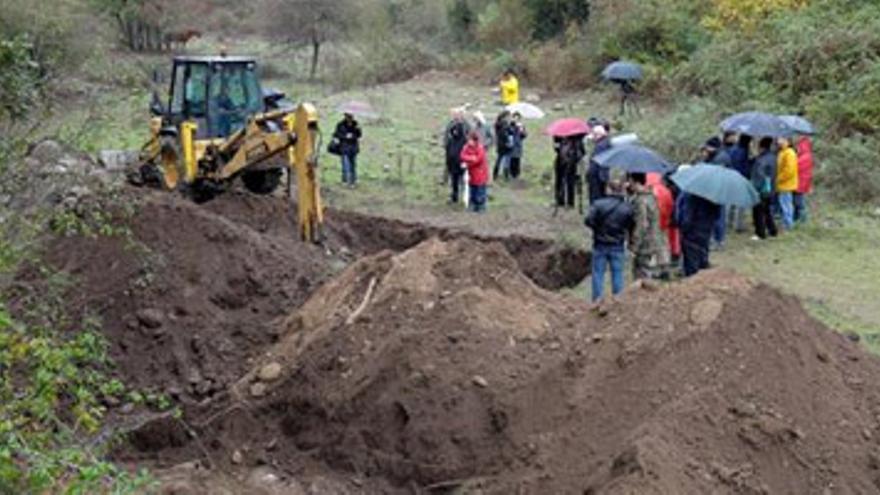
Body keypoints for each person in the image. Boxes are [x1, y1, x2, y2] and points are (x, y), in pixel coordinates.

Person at [585, 172, 635, 302]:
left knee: (598, 273)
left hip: (599, 243)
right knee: (618, 273)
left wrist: (597, 229)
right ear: (622, 190)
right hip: (617, 245)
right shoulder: (627, 208)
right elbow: (631, 226)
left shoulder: (598, 204)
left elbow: (588, 220)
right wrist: (629, 240)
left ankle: (597, 300)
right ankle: (617, 300)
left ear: (608, 189)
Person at [629, 173, 668, 280]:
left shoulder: (640, 201)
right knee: (646, 272)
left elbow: (641, 224)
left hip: (644, 243)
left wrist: (634, 246)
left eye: (630, 181)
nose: (629, 184)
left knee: (641, 275)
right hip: (654, 239)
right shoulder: (651, 197)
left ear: (635, 182)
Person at [676, 190, 722, 278]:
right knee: (702, 259)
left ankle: (691, 280)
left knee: (691, 263)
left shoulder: (691, 194)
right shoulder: (715, 195)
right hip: (706, 231)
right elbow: (717, 215)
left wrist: (683, 228)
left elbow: (687, 216)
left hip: (691, 232)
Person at [701, 136, 731, 249]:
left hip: (718, 190)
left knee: (718, 216)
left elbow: (714, 174)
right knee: (716, 215)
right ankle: (717, 239)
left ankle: (718, 240)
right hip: (717, 189)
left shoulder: (720, 159)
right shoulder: (716, 156)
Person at [646, 172, 680, 265]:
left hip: (654, 223)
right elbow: (671, 206)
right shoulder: (666, 191)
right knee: (664, 243)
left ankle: (654, 263)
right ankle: (665, 262)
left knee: (653, 243)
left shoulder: (649, 192)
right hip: (665, 222)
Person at [751, 137, 779, 240]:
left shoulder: (762, 159)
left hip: (761, 190)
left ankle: (760, 233)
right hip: (770, 188)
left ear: (761, 147)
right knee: (767, 211)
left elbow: (759, 175)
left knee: (758, 211)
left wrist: (755, 188)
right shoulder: (773, 157)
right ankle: (773, 231)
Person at [724, 133, 752, 233]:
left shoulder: (732, 149)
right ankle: (739, 225)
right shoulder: (743, 151)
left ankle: (727, 222)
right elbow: (743, 166)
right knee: (741, 203)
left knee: (729, 202)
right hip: (741, 178)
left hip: (730, 177)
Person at [443, 109, 471, 203]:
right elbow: (448, 150)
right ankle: (454, 196)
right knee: (454, 181)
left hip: (461, 163)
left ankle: (465, 197)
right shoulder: (451, 140)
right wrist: (448, 162)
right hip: (453, 163)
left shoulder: (465, 139)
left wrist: (465, 161)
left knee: (463, 180)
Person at [460, 131, 490, 213]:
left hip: (480, 173)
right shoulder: (466, 147)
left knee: (480, 190)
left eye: (470, 140)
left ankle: (481, 206)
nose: (468, 142)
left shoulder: (480, 148)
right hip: (472, 173)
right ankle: (472, 205)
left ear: (474, 140)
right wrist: (471, 158)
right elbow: (462, 155)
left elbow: (477, 160)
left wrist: (468, 162)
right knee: (472, 189)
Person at [554, 135, 585, 209]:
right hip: (560, 162)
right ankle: (560, 201)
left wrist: (575, 158)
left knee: (570, 183)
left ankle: (570, 203)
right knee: (559, 181)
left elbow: (582, 152)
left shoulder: (577, 139)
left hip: (572, 162)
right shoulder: (558, 137)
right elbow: (556, 148)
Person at [776, 135, 799, 230]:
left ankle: (788, 225)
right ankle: (786, 223)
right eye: (779, 138)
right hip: (782, 184)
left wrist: (778, 178)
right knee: (784, 204)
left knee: (786, 204)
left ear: (788, 141)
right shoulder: (782, 152)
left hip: (786, 184)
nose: (778, 140)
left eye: (781, 138)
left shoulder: (790, 153)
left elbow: (789, 171)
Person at [333, 113, 362, 187]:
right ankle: (345, 180)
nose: (350, 118)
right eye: (348, 116)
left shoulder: (356, 124)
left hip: (353, 148)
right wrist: (345, 136)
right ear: (345, 116)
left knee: (353, 165)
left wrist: (358, 130)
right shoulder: (340, 124)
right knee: (345, 166)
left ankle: (353, 181)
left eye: (351, 117)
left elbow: (359, 135)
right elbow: (336, 134)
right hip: (344, 148)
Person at [587, 124, 612, 204]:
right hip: (599, 176)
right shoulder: (604, 143)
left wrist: (602, 178)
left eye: (594, 136)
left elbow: (599, 162)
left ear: (598, 135)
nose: (593, 139)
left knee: (596, 198)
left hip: (597, 177)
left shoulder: (601, 146)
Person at [794, 135, 814, 224]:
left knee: (799, 202)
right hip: (802, 181)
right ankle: (798, 218)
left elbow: (797, 167)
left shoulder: (805, 157)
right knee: (797, 200)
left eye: (799, 146)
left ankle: (802, 219)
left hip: (801, 182)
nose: (797, 148)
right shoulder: (804, 155)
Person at [493, 111, 512, 180]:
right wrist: (508, 141)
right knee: (506, 160)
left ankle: (495, 174)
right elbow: (505, 134)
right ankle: (506, 176)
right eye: (509, 116)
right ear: (505, 116)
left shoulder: (498, 124)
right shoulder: (504, 124)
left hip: (499, 144)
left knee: (499, 159)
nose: (509, 118)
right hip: (505, 144)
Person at [509, 112, 527, 179]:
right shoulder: (510, 125)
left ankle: (517, 174)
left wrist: (521, 130)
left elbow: (524, 135)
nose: (516, 119)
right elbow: (509, 132)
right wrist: (513, 127)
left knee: (517, 159)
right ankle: (511, 173)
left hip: (518, 145)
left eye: (517, 118)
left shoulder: (521, 126)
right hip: (511, 144)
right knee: (511, 159)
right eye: (514, 118)